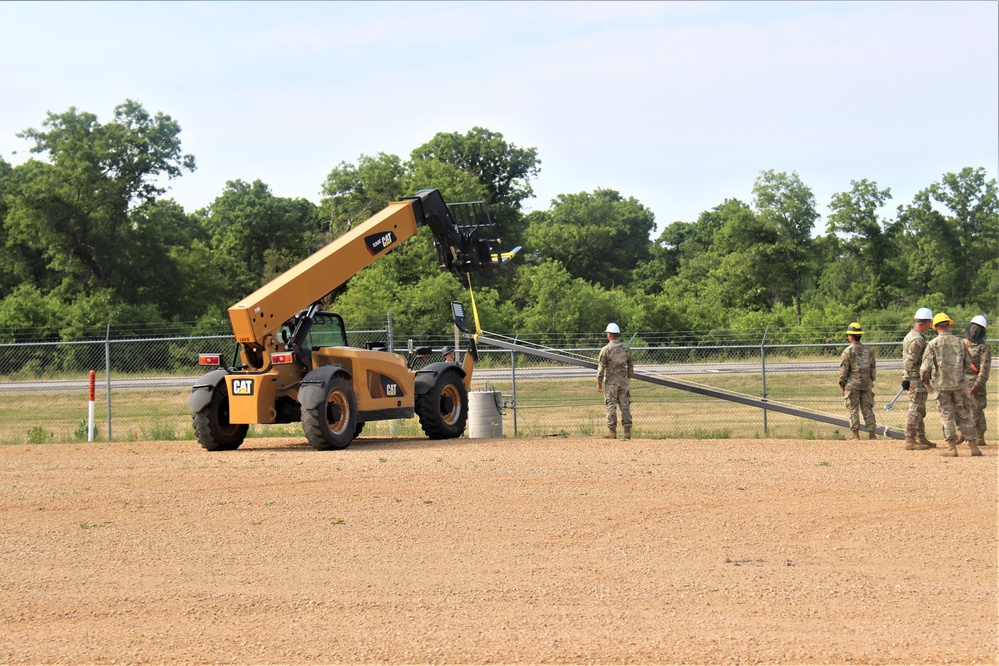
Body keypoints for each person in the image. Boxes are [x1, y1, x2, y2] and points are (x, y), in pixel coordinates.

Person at [920, 313, 979, 457]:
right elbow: (968, 365)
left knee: (947, 416)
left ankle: (952, 449)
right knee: (964, 414)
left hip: (942, 386)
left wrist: (926, 382)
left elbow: (925, 368)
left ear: (935, 327)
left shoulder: (933, 344)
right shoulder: (960, 342)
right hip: (959, 385)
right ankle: (974, 448)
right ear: (949, 325)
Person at [900, 308, 936, 450]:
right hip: (916, 378)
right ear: (925, 322)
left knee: (920, 408)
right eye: (929, 323)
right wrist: (907, 378)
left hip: (915, 377)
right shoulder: (917, 340)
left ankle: (921, 436)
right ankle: (910, 439)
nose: (930, 326)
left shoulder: (911, 336)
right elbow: (911, 360)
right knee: (915, 408)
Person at [838, 322, 877, 440]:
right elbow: (873, 369)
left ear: (851, 336)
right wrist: (870, 380)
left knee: (852, 408)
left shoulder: (848, 351)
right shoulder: (868, 351)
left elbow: (844, 370)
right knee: (867, 408)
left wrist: (842, 384)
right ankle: (872, 434)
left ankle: (855, 434)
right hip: (866, 384)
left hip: (852, 384)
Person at [596, 322, 633, 440]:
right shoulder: (626, 348)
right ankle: (627, 432)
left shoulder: (606, 350)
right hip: (623, 381)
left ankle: (612, 432)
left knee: (611, 405)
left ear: (609, 335)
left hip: (611, 382)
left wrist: (599, 383)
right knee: (625, 405)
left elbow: (601, 368)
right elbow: (630, 365)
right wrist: (628, 377)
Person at [963, 315, 991, 449]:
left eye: (977, 329)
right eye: (973, 327)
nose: (974, 330)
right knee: (962, 409)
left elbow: (984, 369)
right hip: (962, 383)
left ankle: (979, 435)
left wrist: (977, 385)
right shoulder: (963, 343)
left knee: (977, 410)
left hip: (976, 384)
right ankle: (963, 433)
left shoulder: (983, 347)